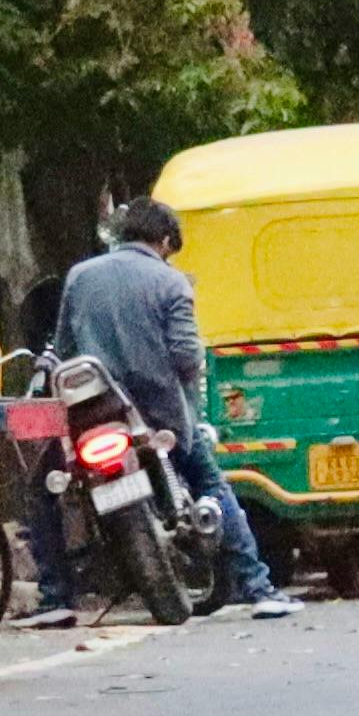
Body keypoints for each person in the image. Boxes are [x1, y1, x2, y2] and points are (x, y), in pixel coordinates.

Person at [20, 198, 288, 626]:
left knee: (45, 491)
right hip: (160, 418)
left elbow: (65, 348)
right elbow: (186, 356)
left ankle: (55, 600)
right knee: (210, 482)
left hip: (93, 415)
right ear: (164, 241)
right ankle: (259, 589)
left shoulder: (80, 276)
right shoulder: (171, 282)